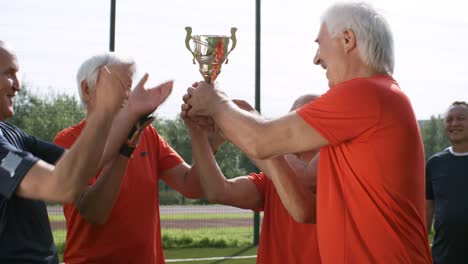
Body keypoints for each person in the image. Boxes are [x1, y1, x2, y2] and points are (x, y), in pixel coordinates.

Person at [182, 2, 432, 263]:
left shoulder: (367, 92)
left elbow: (261, 141)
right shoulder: (378, 99)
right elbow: (303, 211)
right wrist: (231, 118)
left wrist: (218, 103)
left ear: (347, 40)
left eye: (319, 43)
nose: (316, 58)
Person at [0, 40, 171, 263]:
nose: (18, 85)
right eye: (8, 73)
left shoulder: (12, 134)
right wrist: (104, 110)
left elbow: (86, 162)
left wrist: (129, 114)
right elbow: (60, 185)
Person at [53, 53, 210, 264]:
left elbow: (192, 186)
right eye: (117, 85)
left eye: (129, 86)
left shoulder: (148, 134)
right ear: (87, 89)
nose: (128, 94)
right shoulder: (68, 141)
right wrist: (126, 147)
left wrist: (207, 139)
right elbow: (94, 212)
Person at [186, 94, 321, 264]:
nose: (290, 128)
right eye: (290, 118)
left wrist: (243, 127)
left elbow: (301, 177)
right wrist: (199, 136)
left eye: (299, 120)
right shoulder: (273, 177)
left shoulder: (334, 173)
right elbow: (217, 191)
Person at [426, 101, 468, 264]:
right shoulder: (435, 164)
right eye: (449, 120)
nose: (454, 123)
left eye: (461, 118)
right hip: (444, 257)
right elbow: (427, 209)